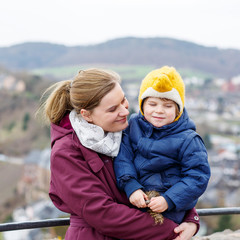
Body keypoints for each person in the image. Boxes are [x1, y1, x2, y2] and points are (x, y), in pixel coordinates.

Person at [38, 68, 200, 240]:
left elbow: (165, 175)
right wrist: (172, 230)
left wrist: (190, 218)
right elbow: (103, 213)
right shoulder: (66, 153)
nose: (124, 111)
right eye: (113, 109)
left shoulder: (126, 131)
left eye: (123, 100)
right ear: (87, 115)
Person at [114, 66, 211, 225]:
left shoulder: (188, 139)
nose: (159, 111)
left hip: (169, 210)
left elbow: (197, 177)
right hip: (134, 200)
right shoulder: (132, 126)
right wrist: (131, 186)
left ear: (178, 110)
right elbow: (123, 158)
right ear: (142, 104)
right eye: (152, 104)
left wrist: (169, 199)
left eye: (168, 106)